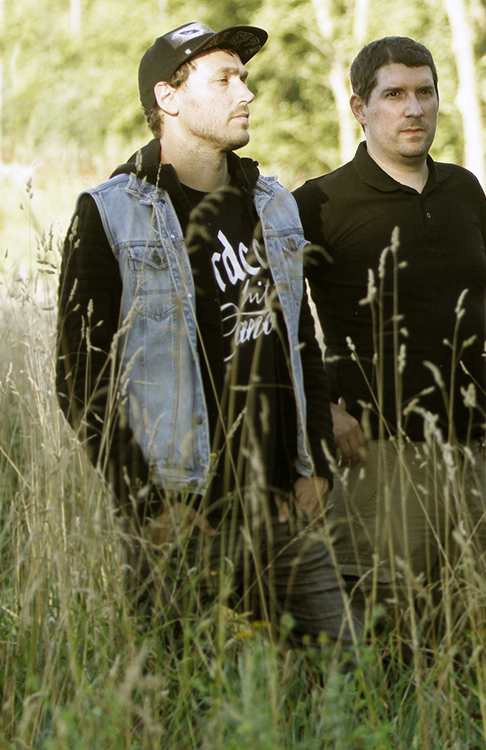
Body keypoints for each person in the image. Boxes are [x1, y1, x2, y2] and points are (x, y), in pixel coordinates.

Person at [56, 22, 351, 645]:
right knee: (187, 687)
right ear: (168, 98)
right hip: (185, 515)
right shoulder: (110, 213)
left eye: (244, 78)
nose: (246, 93)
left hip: (284, 504)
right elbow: (80, 378)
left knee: (338, 675)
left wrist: (317, 461)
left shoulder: (272, 203)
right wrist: (146, 502)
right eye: (224, 80)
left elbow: (300, 340)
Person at [293, 37, 486, 651]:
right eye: (394, 95)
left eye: (424, 92)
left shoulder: (464, 189)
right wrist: (319, 408)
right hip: (375, 458)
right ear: (360, 107)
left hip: (466, 453)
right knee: (380, 645)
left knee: (471, 639)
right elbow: (273, 318)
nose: (413, 109)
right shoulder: (319, 203)